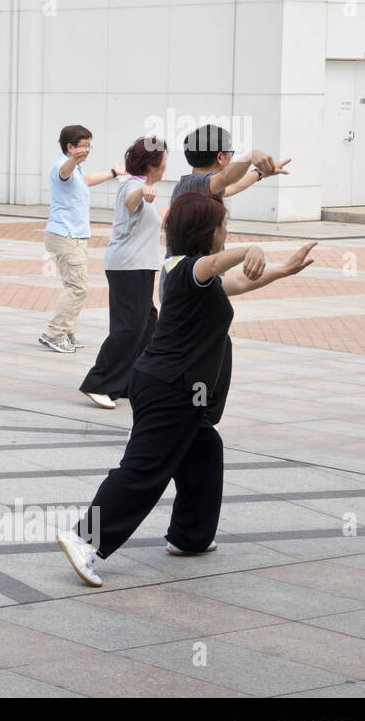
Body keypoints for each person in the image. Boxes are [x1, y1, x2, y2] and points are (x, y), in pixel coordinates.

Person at [57, 192, 317, 586]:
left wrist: (282, 271)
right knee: (145, 469)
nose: (227, 232)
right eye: (224, 225)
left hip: (176, 387)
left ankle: (190, 537)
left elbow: (236, 282)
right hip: (169, 388)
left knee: (204, 451)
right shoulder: (185, 270)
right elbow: (214, 265)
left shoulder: (198, 276)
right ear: (208, 231)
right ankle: (83, 538)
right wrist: (253, 246)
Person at [78, 136, 169, 410]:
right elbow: (131, 202)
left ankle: (128, 382)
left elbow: (152, 220)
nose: (166, 166)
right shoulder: (133, 186)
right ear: (153, 164)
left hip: (138, 266)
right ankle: (99, 383)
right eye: (164, 161)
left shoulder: (145, 188)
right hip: (128, 267)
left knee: (147, 326)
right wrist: (143, 193)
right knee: (129, 327)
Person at [39, 125, 124, 354]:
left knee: (73, 285)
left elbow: (86, 179)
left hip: (71, 236)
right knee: (79, 287)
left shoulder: (77, 171)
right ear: (70, 147)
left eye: (88, 145)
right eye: (82, 145)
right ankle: (54, 333)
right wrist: (73, 160)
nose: (87, 149)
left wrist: (114, 173)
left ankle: (66, 332)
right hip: (65, 235)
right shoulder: (63, 166)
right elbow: (64, 172)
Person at [172, 124, 289, 204]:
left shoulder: (190, 185)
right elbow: (226, 178)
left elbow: (233, 186)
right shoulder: (198, 183)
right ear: (220, 157)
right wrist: (250, 156)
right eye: (230, 153)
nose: (231, 158)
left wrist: (260, 172)